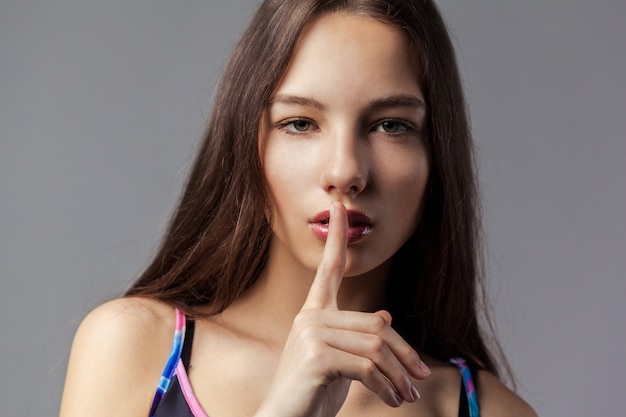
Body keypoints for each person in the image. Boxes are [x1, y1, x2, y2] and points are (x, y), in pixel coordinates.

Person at [60, 1, 537, 416]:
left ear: (437, 155)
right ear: (248, 145)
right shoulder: (133, 348)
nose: (345, 171)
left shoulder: (494, 411)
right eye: (300, 123)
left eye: (391, 125)